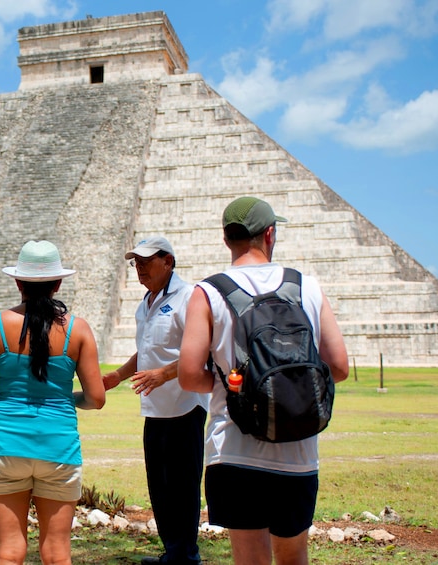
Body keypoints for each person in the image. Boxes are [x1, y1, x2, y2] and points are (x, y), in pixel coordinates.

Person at [178, 197, 349, 565]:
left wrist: (234, 386)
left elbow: (190, 375)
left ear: (226, 239)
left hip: (235, 450)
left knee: (250, 558)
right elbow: (339, 366)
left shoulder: (207, 292)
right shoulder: (306, 286)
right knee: (293, 555)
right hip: (298, 451)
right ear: (269, 233)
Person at [0, 240, 106, 565]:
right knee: (57, 552)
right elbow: (96, 398)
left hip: (4, 445)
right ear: (58, 283)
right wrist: (67, 399)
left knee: (9, 551)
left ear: (18, 282)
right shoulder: (78, 329)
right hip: (58, 448)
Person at [102, 236, 209, 565]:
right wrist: (118, 376)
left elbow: (201, 352)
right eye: (136, 262)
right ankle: (172, 552)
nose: (140, 268)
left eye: (147, 261)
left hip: (185, 405)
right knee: (160, 486)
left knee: (183, 485)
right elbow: (147, 351)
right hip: (155, 408)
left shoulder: (189, 297)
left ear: (169, 262)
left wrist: (163, 374)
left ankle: (187, 556)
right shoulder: (145, 303)